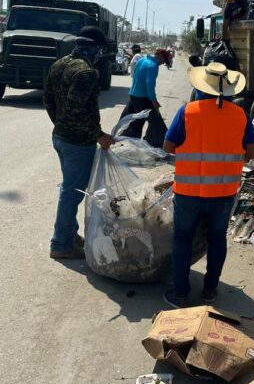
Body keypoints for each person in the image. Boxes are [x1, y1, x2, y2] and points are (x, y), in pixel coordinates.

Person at [162, 62, 254, 308]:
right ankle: (210, 291)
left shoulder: (187, 112)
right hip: (224, 193)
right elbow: (250, 154)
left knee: (182, 239)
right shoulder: (241, 116)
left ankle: (180, 293)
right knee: (217, 239)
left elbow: (169, 147)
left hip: (188, 193)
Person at [43, 26, 114, 260]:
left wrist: (60, 124)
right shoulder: (86, 72)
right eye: (100, 50)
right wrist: (98, 135)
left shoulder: (60, 64)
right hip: (77, 143)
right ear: (94, 48)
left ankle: (70, 235)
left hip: (61, 137)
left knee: (69, 188)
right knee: (72, 193)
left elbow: (49, 100)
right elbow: (76, 110)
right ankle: (61, 243)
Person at [119, 48, 173, 145]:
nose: (162, 64)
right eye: (163, 61)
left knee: (133, 122)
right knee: (156, 124)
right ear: (160, 56)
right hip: (143, 98)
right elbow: (150, 85)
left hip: (133, 95)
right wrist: (154, 101)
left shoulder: (141, 60)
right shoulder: (153, 66)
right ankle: (154, 145)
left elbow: (134, 75)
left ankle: (128, 143)